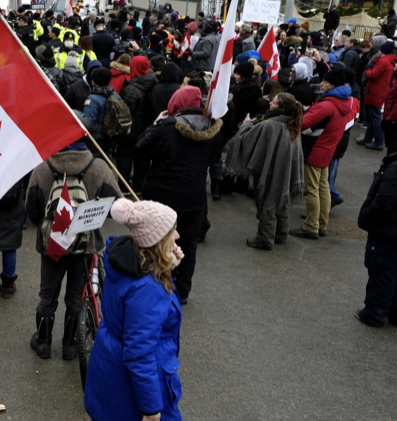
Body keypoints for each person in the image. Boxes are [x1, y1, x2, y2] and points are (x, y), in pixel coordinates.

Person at [25, 125, 121, 359]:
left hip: (52, 244)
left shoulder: (43, 167)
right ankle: (70, 346)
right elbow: (116, 206)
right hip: (85, 244)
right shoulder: (99, 167)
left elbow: (32, 210)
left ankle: (44, 342)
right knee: (76, 296)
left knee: (47, 295)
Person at [84, 197, 183, 421]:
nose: (177, 236)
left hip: (110, 368)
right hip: (134, 388)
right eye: (172, 232)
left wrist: (168, 269)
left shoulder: (128, 262)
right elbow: (139, 352)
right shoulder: (148, 288)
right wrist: (151, 410)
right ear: (156, 242)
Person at [136, 86, 222, 304]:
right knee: (188, 245)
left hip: (164, 196)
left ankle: (158, 283)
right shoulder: (212, 130)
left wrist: (154, 124)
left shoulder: (166, 128)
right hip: (194, 197)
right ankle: (182, 291)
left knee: (158, 242)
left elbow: (141, 147)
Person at [223, 93, 304, 250]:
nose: (269, 104)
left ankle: (264, 239)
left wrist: (246, 124)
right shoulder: (292, 123)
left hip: (269, 172)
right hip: (284, 170)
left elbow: (246, 139)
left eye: (273, 103)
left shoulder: (270, 125)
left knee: (267, 200)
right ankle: (281, 234)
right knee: (281, 200)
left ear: (280, 108)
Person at [291, 69, 353, 240]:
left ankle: (311, 226)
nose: (321, 84)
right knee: (323, 187)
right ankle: (321, 223)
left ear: (332, 84)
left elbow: (302, 123)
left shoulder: (327, 105)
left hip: (314, 150)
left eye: (325, 81)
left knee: (311, 190)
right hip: (327, 149)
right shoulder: (344, 101)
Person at [355, 151, 397, 327]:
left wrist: (368, 215)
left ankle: (374, 313)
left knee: (382, 271)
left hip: (387, 230)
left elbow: (385, 199)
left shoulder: (395, 169)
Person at [118, 55, 158, 194]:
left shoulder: (131, 88)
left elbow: (126, 112)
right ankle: (139, 186)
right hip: (147, 128)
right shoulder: (154, 82)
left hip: (131, 128)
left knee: (125, 156)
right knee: (142, 159)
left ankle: (123, 186)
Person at [359, 41, 397, 150]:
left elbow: (373, 75)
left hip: (376, 92)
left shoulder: (383, 61)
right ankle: (369, 138)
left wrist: (368, 70)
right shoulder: (388, 61)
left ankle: (379, 141)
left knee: (375, 117)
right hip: (379, 91)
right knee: (373, 117)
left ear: (383, 50)